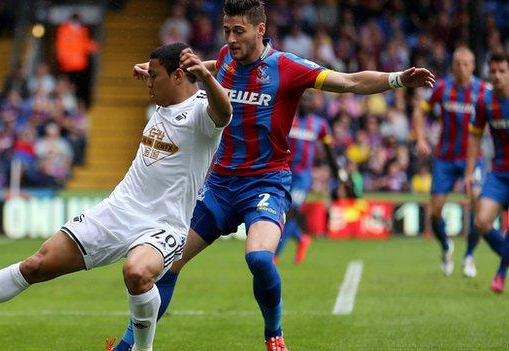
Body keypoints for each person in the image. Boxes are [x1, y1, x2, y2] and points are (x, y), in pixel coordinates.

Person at [117, 1, 434, 350]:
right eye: (226, 30)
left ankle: (274, 333)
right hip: (220, 184)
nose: (231, 38)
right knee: (167, 265)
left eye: (238, 31)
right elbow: (206, 66)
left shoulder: (287, 67)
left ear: (260, 30)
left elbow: (349, 81)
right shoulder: (224, 58)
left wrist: (397, 79)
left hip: (265, 183)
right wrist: (159, 69)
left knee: (259, 257)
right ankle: (128, 344)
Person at [0, 42, 232, 351]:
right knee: (36, 265)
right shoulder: (166, 97)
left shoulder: (203, 113)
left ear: (177, 76)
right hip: (118, 210)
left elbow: (224, 112)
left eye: (154, 77)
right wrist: (157, 69)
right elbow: (190, 71)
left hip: (164, 223)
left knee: (137, 272)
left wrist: (202, 74)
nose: (148, 83)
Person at [413, 47, 488, 277]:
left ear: (473, 66)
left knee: (478, 205)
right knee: (434, 212)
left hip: (473, 159)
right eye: (457, 63)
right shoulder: (442, 88)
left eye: (466, 63)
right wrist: (421, 138)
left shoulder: (483, 90)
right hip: (445, 159)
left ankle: (469, 256)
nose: (461, 67)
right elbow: (420, 111)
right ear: (452, 65)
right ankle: (447, 247)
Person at [274, 93, 342, 265]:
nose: (304, 103)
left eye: (308, 101)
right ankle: (301, 238)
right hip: (283, 174)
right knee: (281, 213)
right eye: (302, 99)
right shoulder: (288, 118)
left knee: (291, 213)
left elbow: (329, 151)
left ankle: (274, 255)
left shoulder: (320, 125)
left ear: (313, 104)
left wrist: (339, 174)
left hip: (303, 178)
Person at [466, 52, 509, 294]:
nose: (498, 76)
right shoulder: (484, 102)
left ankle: (501, 274)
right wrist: (470, 172)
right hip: (499, 172)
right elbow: (474, 136)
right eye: (493, 72)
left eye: (502, 71)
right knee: (481, 221)